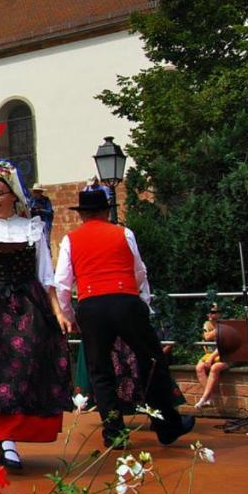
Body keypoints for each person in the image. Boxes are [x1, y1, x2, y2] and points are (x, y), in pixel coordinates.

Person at [54, 188, 194, 449]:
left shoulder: (70, 239)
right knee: (151, 361)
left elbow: (62, 283)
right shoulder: (123, 233)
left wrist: (70, 315)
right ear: (107, 211)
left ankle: (115, 432)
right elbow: (139, 270)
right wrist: (141, 300)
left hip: (91, 304)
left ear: (82, 215)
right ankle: (167, 425)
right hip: (125, 300)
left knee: (100, 371)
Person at [0, 160, 71, 470]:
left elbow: (46, 275)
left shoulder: (32, 227)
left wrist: (58, 310)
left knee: (32, 363)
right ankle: (6, 442)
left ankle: (19, 433)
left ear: (12, 195)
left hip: (29, 302)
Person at [194, 304, 228, 409]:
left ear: (219, 314)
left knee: (214, 368)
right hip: (210, 354)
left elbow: (223, 345)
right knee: (198, 367)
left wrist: (211, 358)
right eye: (209, 312)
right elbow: (207, 337)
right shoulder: (207, 324)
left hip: (225, 354)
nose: (210, 314)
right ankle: (209, 398)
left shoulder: (225, 325)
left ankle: (203, 398)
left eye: (213, 312)